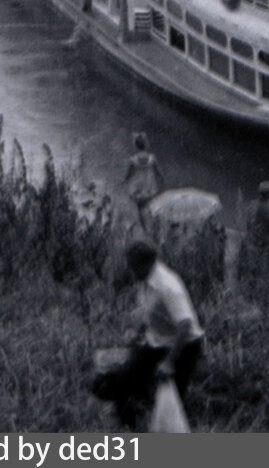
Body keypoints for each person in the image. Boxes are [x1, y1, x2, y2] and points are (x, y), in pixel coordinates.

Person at [96, 239, 204, 429]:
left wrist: (170, 362)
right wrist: (138, 333)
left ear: (145, 264)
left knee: (171, 401)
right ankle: (129, 429)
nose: (130, 270)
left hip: (184, 347)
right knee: (123, 382)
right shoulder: (144, 279)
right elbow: (153, 313)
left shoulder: (168, 286)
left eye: (133, 266)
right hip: (156, 343)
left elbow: (185, 324)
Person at [122, 133, 163, 218]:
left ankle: (145, 228)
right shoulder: (152, 158)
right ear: (145, 145)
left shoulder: (133, 160)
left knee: (140, 208)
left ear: (136, 146)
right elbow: (159, 173)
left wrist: (123, 182)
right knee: (151, 207)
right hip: (150, 187)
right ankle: (152, 223)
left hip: (138, 188)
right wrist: (161, 182)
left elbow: (128, 175)